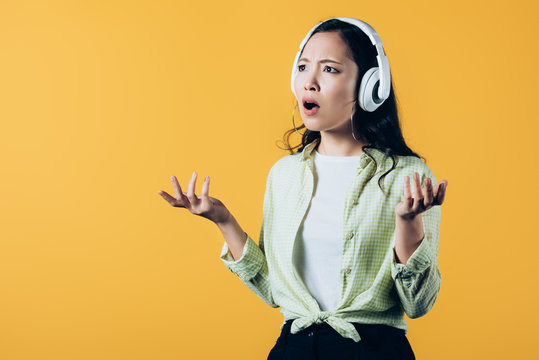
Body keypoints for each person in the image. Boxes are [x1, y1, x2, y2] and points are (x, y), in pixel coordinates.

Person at [158, 17, 448, 360]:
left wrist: (408, 224)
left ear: (370, 85)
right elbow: (274, 290)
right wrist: (223, 220)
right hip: (293, 348)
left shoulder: (409, 175)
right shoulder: (284, 175)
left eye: (329, 70)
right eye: (302, 67)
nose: (309, 82)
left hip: (374, 350)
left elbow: (418, 304)